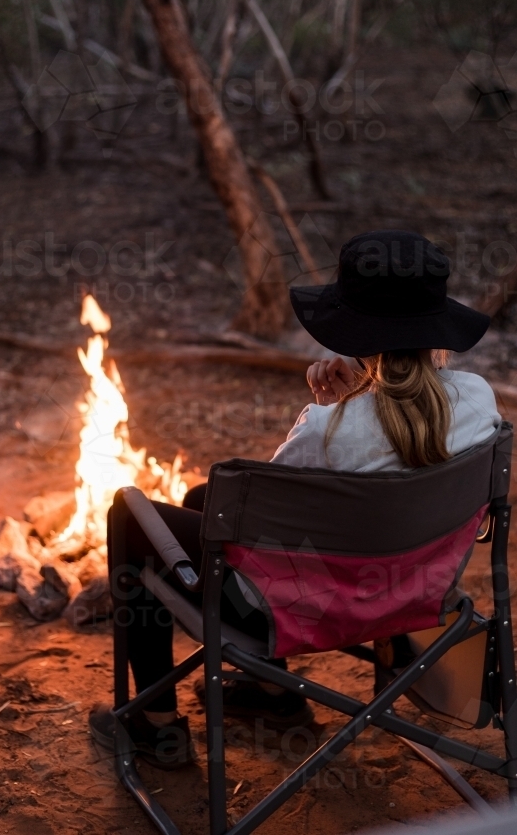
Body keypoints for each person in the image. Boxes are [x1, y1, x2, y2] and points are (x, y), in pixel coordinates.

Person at [89, 230, 501, 768]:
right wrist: (351, 401)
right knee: (198, 495)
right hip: (415, 596)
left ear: (352, 330)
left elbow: (261, 524)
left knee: (130, 513)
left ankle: (156, 725)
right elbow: (400, 430)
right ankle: (273, 695)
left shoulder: (326, 431)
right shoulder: (478, 400)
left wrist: (330, 407)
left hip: (296, 612)